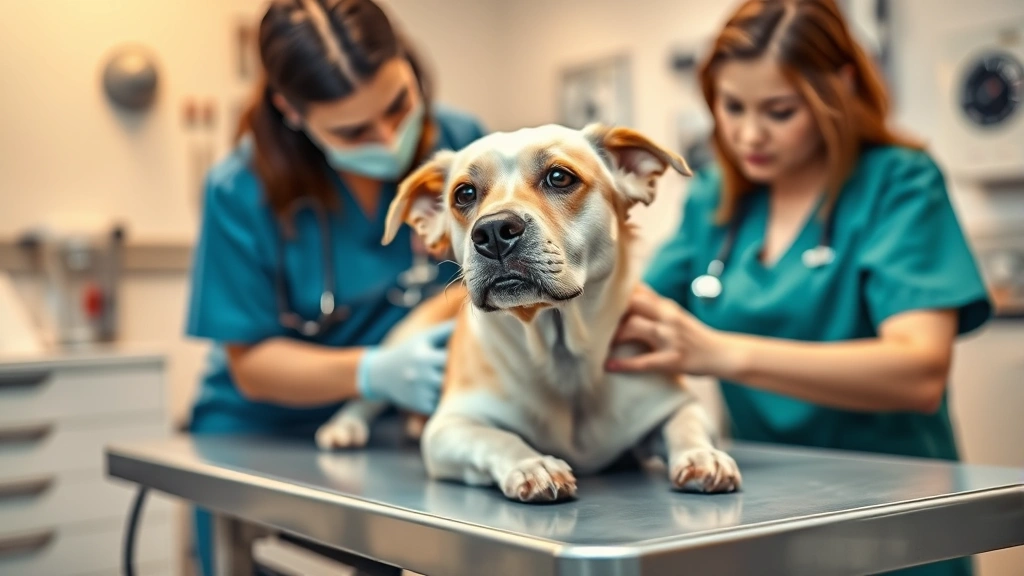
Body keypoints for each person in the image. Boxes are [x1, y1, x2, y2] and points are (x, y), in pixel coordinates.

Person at [607, 1, 991, 575]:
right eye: (731, 106)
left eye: (780, 111)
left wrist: (719, 352)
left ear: (839, 88)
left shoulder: (900, 183)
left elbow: (919, 372)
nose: (748, 134)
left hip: (898, 520)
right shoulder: (715, 198)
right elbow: (626, 313)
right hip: (767, 515)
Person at [183, 0, 486, 573]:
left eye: (399, 105)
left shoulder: (463, 146)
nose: (390, 136)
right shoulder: (240, 189)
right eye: (353, 129)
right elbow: (250, 364)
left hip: (394, 436)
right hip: (266, 434)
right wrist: (374, 372)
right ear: (290, 111)